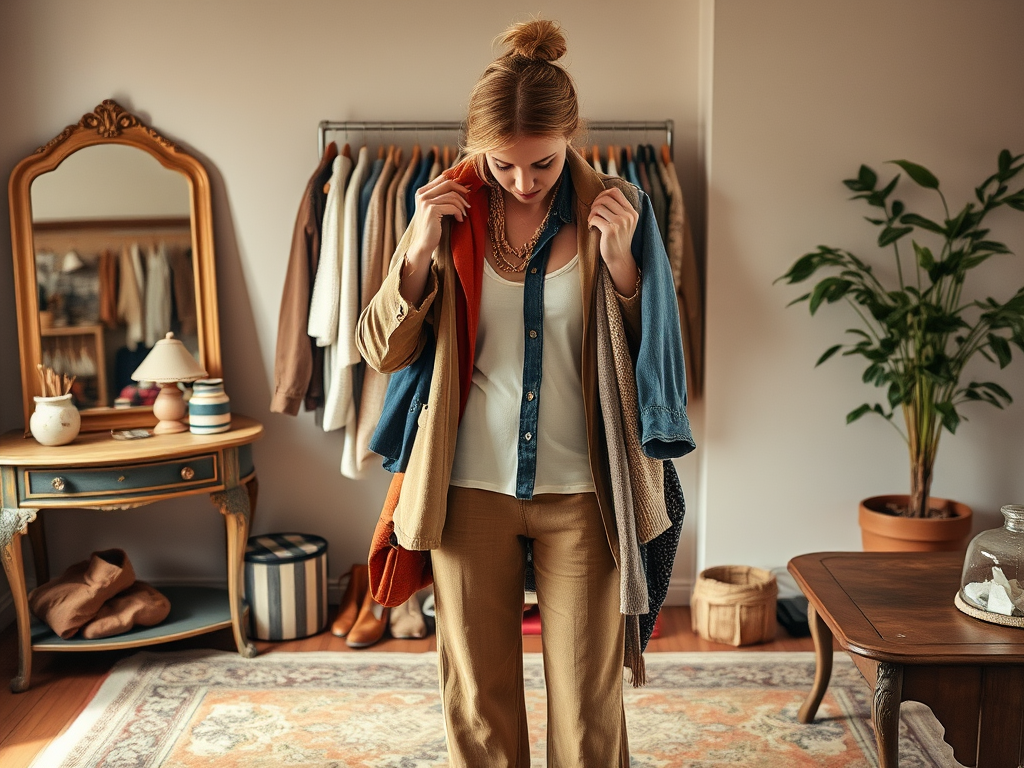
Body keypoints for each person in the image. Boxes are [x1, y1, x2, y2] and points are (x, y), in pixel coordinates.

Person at [356, 18, 693, 767]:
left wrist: (625, 271)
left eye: (540, 164)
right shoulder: (446, 212)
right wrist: (414, 254)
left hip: (586, 493)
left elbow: (660, 367)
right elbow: (380, 349)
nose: (521, 182)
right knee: (477, 697)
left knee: (588, 703)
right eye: (502, 166)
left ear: (571, 134)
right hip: (467, 488)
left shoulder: (620, 208)